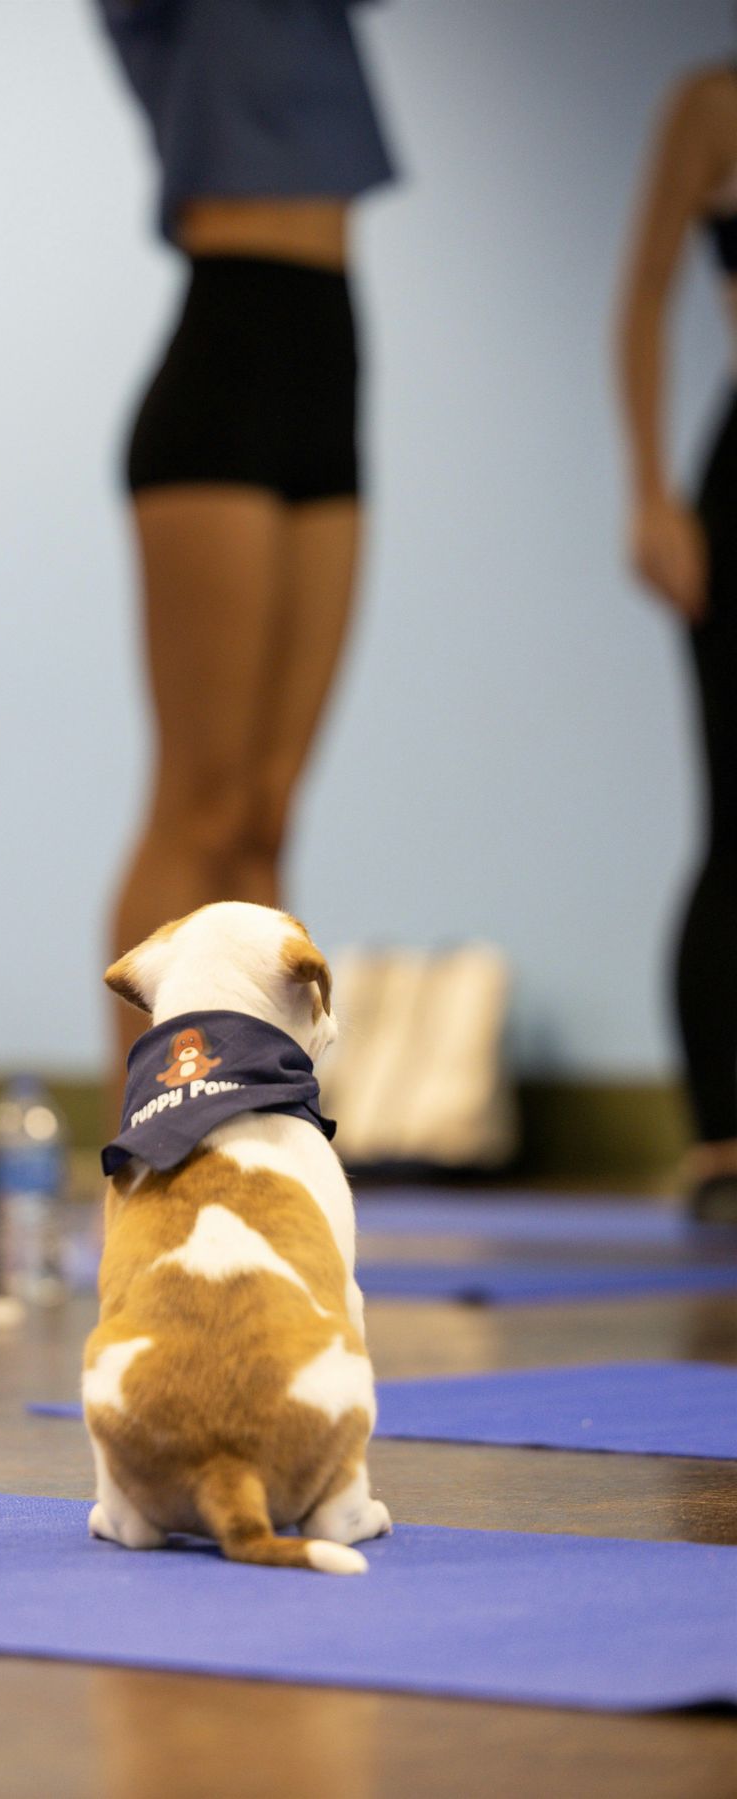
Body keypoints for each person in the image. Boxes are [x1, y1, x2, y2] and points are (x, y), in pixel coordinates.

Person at [95, 0, 396, 1107]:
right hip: (223, 360)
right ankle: (144, 1122)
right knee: (199, 801)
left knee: (268, 814)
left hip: (331, 361)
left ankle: (249, 1109)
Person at [617, 61, 737, 1222]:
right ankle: (723, 1139)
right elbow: (644, 294)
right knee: (736, 815)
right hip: (736, 487)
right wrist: (651, 494)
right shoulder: (712, 105)